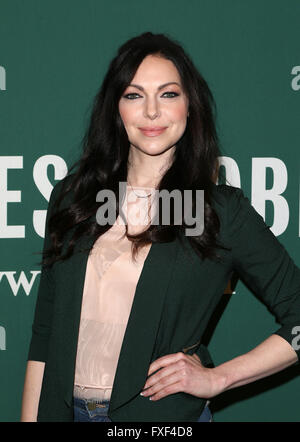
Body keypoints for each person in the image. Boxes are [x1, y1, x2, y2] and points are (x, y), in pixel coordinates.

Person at [21, 32, 300, 423]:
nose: (151, 112)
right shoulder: (74, 199)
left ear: (190, 106)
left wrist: (219, 378)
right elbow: (45, 333)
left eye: (168, 94)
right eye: (134, 95)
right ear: (115, 109)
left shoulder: (218, 211)